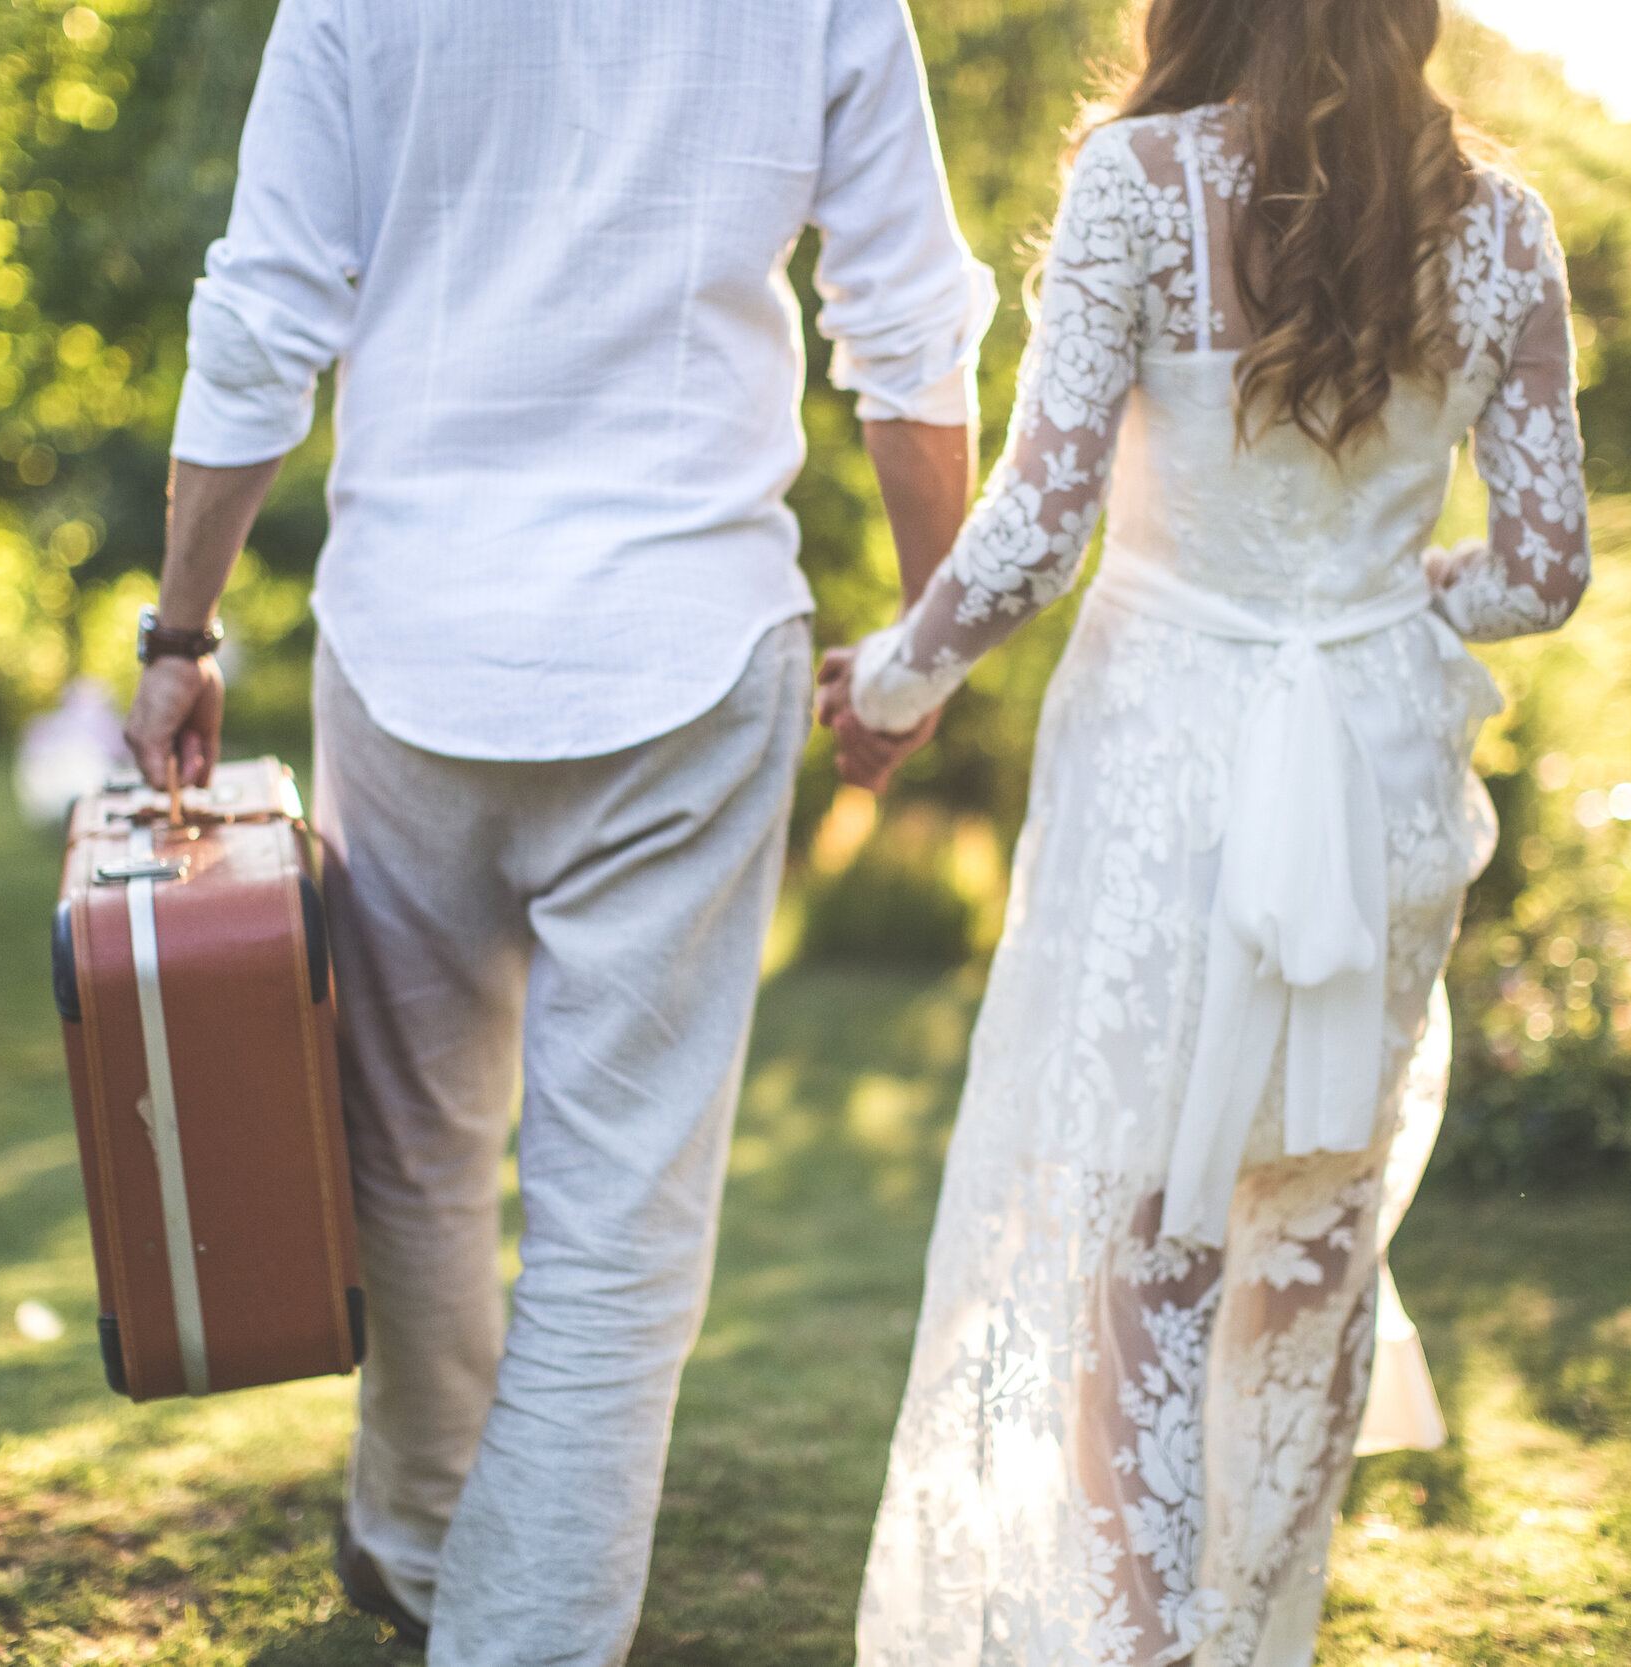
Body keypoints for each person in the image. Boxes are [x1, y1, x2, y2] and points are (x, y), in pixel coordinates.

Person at [120, 2, 995, 1661]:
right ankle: (486, 1604)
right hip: (682, 645)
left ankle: (429, 1546)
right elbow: (903, 321)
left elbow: (264, 312)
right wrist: (922, 645)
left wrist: (184, 632)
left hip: (414, 642)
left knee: (415, 1153)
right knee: (617, 1233)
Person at [819, 0, 1591, 1659]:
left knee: (1145, 1256)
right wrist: (1403, 592)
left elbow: (1033, 530)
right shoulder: (1503, 225)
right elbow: (1543, 571)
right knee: (1308, 1244)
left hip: (1171, 769)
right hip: (1378, 770)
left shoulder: (1139, 186)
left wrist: (887, 683)